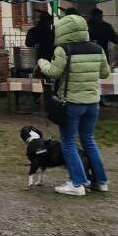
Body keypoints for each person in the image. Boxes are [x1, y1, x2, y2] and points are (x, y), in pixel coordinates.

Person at [37, 13, 110, 196]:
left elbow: (53, 72)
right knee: (89, 141)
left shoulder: (63, 50)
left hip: (71, 103)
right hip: (93, 103)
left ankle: (77, 183)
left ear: (63, 30)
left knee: (68, 142)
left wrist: (42, 62)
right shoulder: (97, 48)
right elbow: (104, 73)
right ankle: (101, 181)